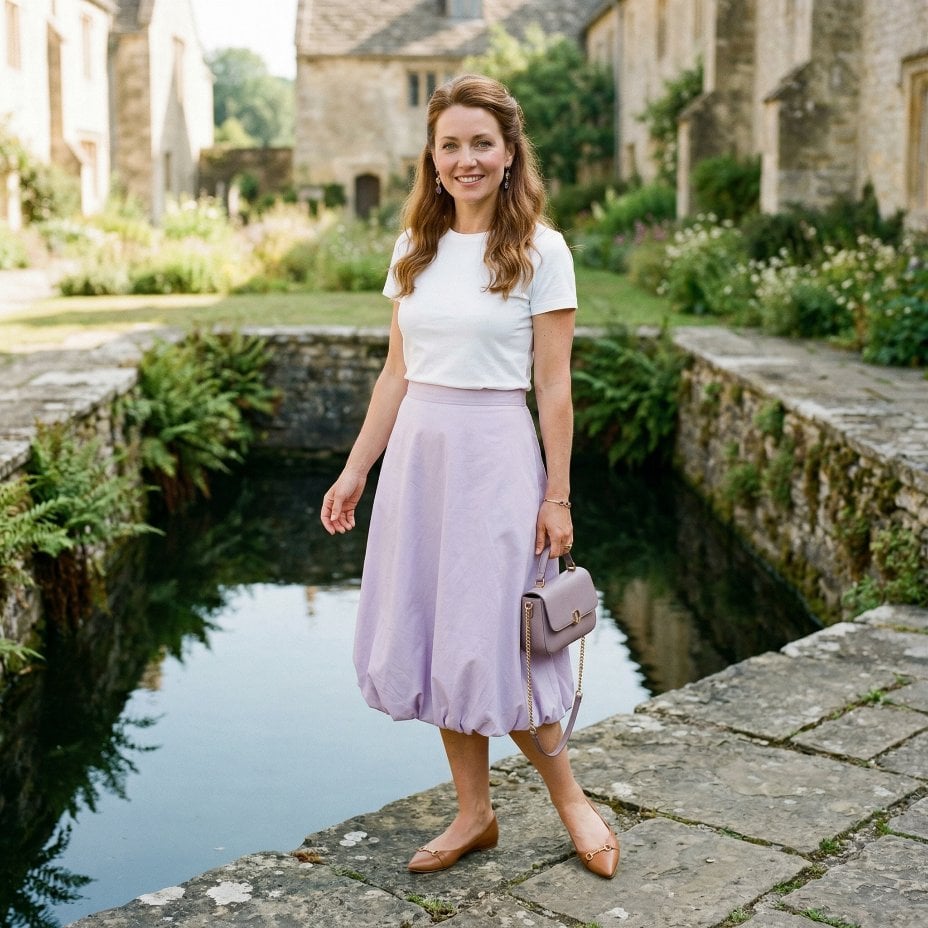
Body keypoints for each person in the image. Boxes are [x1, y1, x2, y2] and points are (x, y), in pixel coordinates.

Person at [320, 73, 619, 880]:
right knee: (442, 637)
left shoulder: (540, 251)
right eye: (450, 144)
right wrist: (355, 471)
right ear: (433, 154)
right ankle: (474, 814)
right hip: (420, 456)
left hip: (496, 456)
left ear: (510, 149)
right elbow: (395, 374)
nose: (465, 159)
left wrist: (557, 494)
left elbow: (554, 385)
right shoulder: (413, 246)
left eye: (481, 142)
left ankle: (571, 802)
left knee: (501, 642)